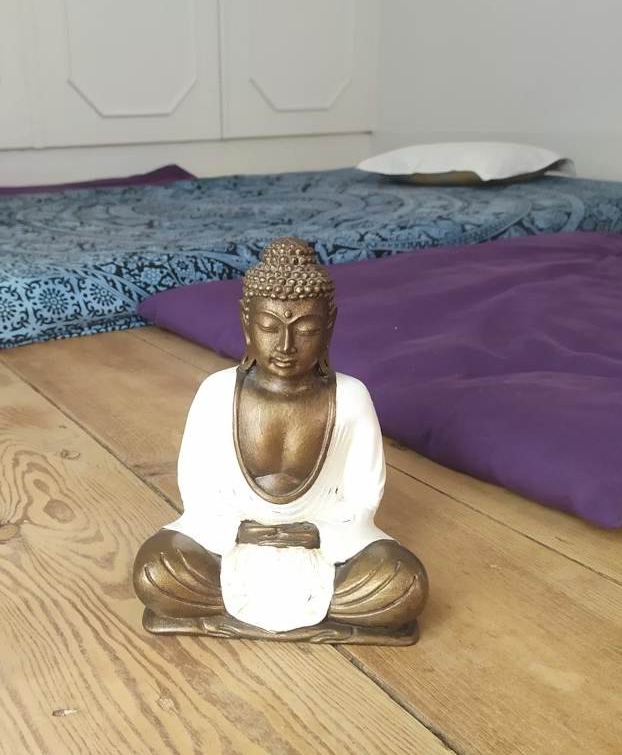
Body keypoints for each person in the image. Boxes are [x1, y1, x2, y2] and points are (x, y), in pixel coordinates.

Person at [133, 238, 428, 644]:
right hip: (230, 541)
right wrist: (238, 531)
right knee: (156, 572)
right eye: (270, 327)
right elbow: (197, 489)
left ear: (330, 325)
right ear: (245, 321)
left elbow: (363, 495)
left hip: (325, 543)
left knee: (404, 585)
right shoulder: (218, 393)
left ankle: (218, 616)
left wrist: (318, 533)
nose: (286, 347)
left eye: (305, 329)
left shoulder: (351, 397)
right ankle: (325, 619)